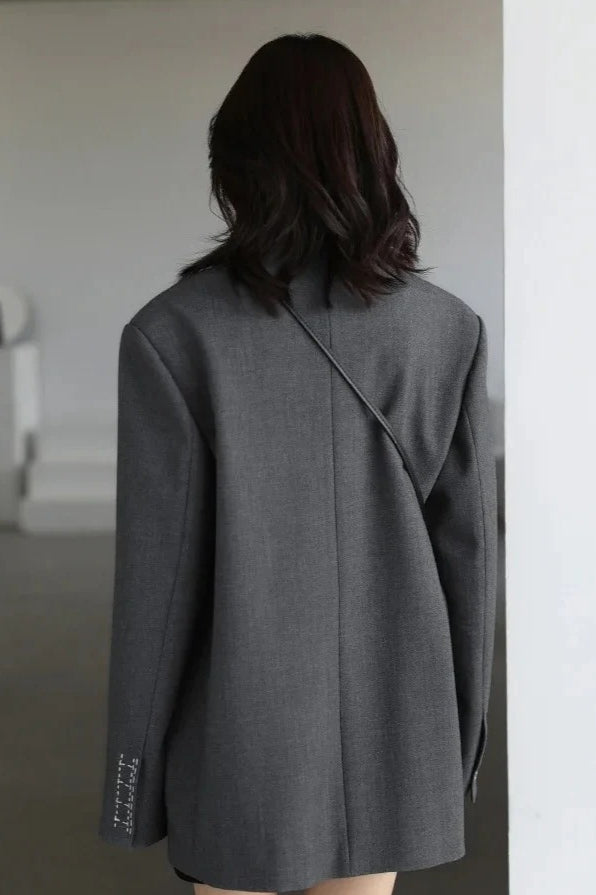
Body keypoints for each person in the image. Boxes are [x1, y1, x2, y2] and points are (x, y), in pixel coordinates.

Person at [98, 32, 498, 895]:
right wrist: (455, 752)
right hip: (395, 733)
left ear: (235, 162)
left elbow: (157, 591)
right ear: (373, 153)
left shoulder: (174, 337)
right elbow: (468, 568)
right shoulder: (447, 331)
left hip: (241, 746)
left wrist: (130, 786)